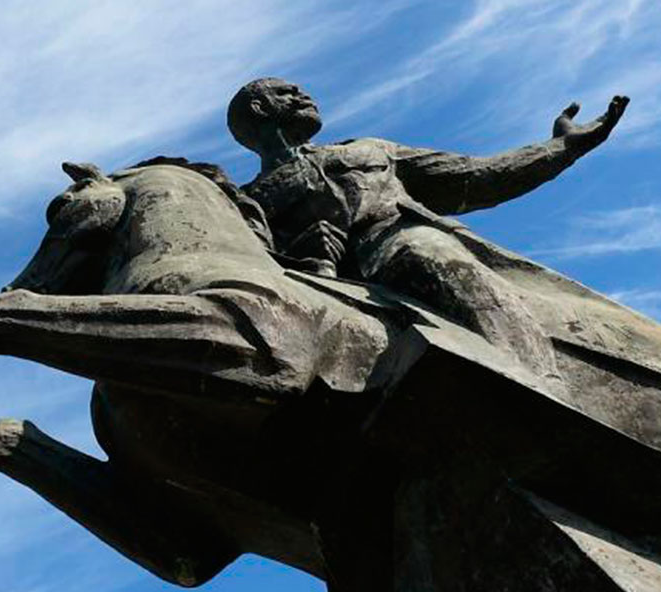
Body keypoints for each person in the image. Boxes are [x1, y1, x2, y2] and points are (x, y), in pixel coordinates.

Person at [227, 78, 628, 376]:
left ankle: (540, 385)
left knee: (450, 272)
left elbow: (476, 177)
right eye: (286, 92)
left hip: (397, 243)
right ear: (261, 109)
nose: (302, 94)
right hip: (324, 288)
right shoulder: (250, 201)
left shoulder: (367, 150)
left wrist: (561, 148)